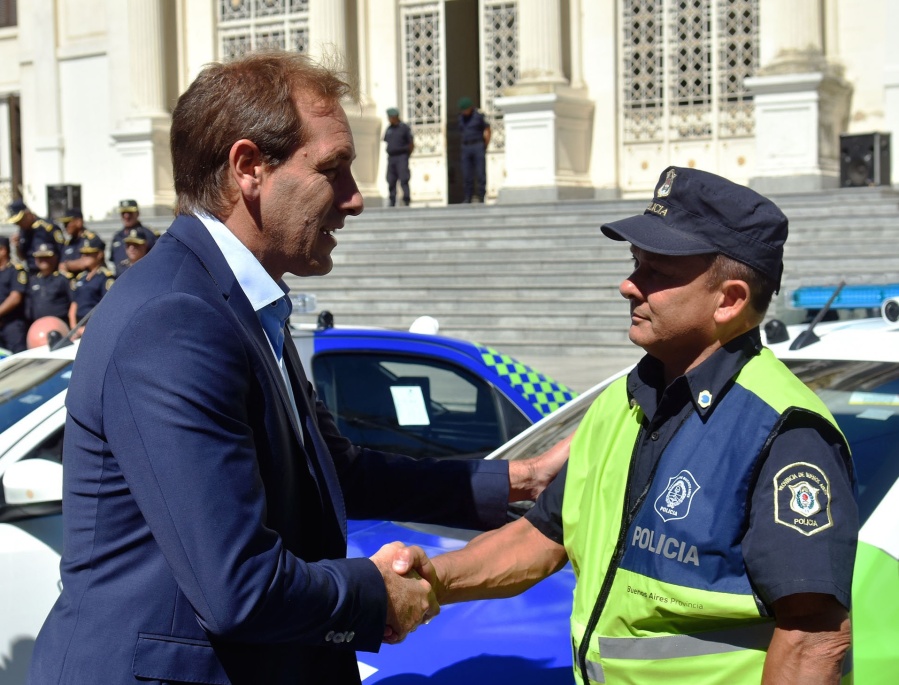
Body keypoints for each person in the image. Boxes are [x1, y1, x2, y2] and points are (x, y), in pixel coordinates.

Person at [29, 51, 566, 685]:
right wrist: (378, 594)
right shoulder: (176, 318)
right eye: (333, 170)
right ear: (248, 167)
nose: (356, 199)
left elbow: (333, 474)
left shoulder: (233, 299)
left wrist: (520, 479)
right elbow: (239, 587)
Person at [425, 167, 858, 684]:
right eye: (636, 263)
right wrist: (426, 580)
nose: (628, 285)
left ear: (731, 300)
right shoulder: (622, 399)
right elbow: (541, 537)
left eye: (657, 271)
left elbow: (814, 635)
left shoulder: (785, 429)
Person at [67, 233, 114, 334]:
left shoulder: (105, 277)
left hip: (94, 328)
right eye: (83, 253)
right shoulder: (81, 277)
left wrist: (86, 330)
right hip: (78, 327)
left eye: (88, 254)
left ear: (99, 254)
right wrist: (74, 328)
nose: (83, 256)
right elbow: (74, 304)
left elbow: (108, 309)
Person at [5, 199, 65, 274]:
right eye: (16, 223)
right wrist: (16, 246)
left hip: (51, 273)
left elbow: (62, 249)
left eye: (20, 220)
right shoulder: (23, 232)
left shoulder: (47, 227)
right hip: (32, 273)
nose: (19, 224)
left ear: (28, 214)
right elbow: (23, 256)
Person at [26, 242, 72, 323]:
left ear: (55, 258)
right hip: (37, 325)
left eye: (47, 257)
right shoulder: (32, 280)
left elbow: (73, 303)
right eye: (40, 257)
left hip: (59, 323)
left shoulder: (63, 279)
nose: (43, 260)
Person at [108, 198, 157, 275]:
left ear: (137, 213)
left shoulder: (149, 235)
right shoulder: (117, 237)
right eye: (123, 213)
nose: (126, 216)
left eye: (130, 212)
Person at [457, 96, 490, 203]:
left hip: (478, 145)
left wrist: (485, 145)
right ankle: (468, 196)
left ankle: (481, 196)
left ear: (470, 108)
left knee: (480, 173)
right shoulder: (461, 118)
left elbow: (488, 129)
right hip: (466, 147)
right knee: (467, 174)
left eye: (465, 109)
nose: (464, 112)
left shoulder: (479, 116)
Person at [0, 235, 29, 353]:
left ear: (3, 250)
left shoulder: (16, 270)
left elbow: (15, 297)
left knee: (17, 359)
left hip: (12, 324)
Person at [383, 107, 414, 207]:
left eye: (390, 117)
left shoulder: (404, 128)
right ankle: (392, 201)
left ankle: (406, 200)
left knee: (404, 179)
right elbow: (386, 141)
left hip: (402, 157)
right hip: (391, 158)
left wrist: (406, 155)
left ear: (395, 117)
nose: (389, 119)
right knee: (391, 180)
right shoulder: (389, 128)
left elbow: (411, 144)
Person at [58, 208, 100, 276]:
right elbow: (61, 267)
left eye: (67, 223)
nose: (65, 226)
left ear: (78, 222)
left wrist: (68, 265)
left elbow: (87, 263)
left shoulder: (92, 239)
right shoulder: (68, 243)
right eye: (64, 223)